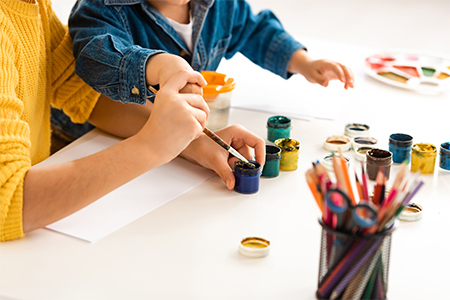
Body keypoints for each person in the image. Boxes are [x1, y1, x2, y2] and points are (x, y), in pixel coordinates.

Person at [0, 0, 265, 242]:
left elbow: (82, 94)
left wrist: (192, 142)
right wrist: (152, 146)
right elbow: (7, 199)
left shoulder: (31, 5)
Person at [68, 0, 354, 108]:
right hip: (108, 133)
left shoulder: (222, 5)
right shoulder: (103, 7)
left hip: (187, 133)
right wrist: (157, 66)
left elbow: (254, 30)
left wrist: (303, 62)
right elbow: (93, 57)